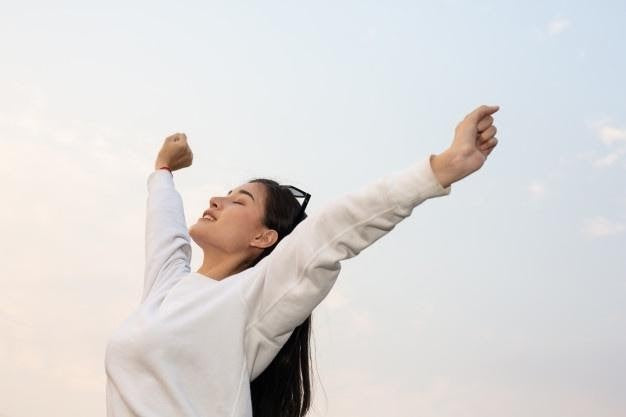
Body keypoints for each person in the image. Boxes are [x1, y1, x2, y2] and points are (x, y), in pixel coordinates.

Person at [104, 104, 500, 417]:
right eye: (225, 194)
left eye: (239, 200)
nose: (216, 200)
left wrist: (442, 169)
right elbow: (164, 230)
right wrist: (163, 171)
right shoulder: (166, 287)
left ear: (264, 237)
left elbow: (332, 229)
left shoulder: (253, 300)